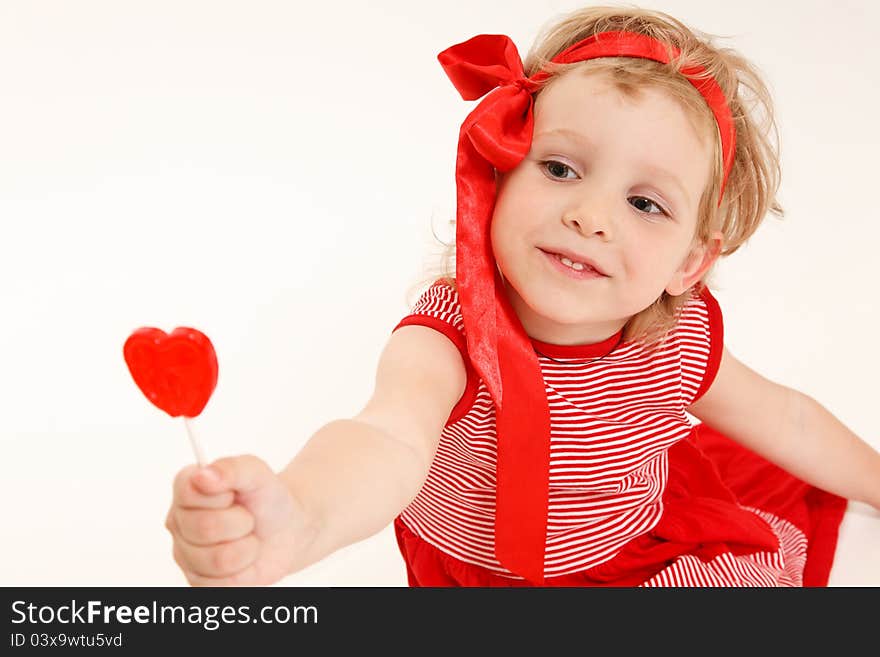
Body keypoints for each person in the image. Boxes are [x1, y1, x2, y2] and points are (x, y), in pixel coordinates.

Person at [164, 6, 880, 586]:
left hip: (630, 557)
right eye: (561, 168)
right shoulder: (446, 334)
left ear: (691, 260)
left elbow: (787, 422)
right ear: (497, 173)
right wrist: (301, 512)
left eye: (644, 203)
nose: (591, 215)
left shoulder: (673, 341)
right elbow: (387, 436)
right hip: (476, 574)